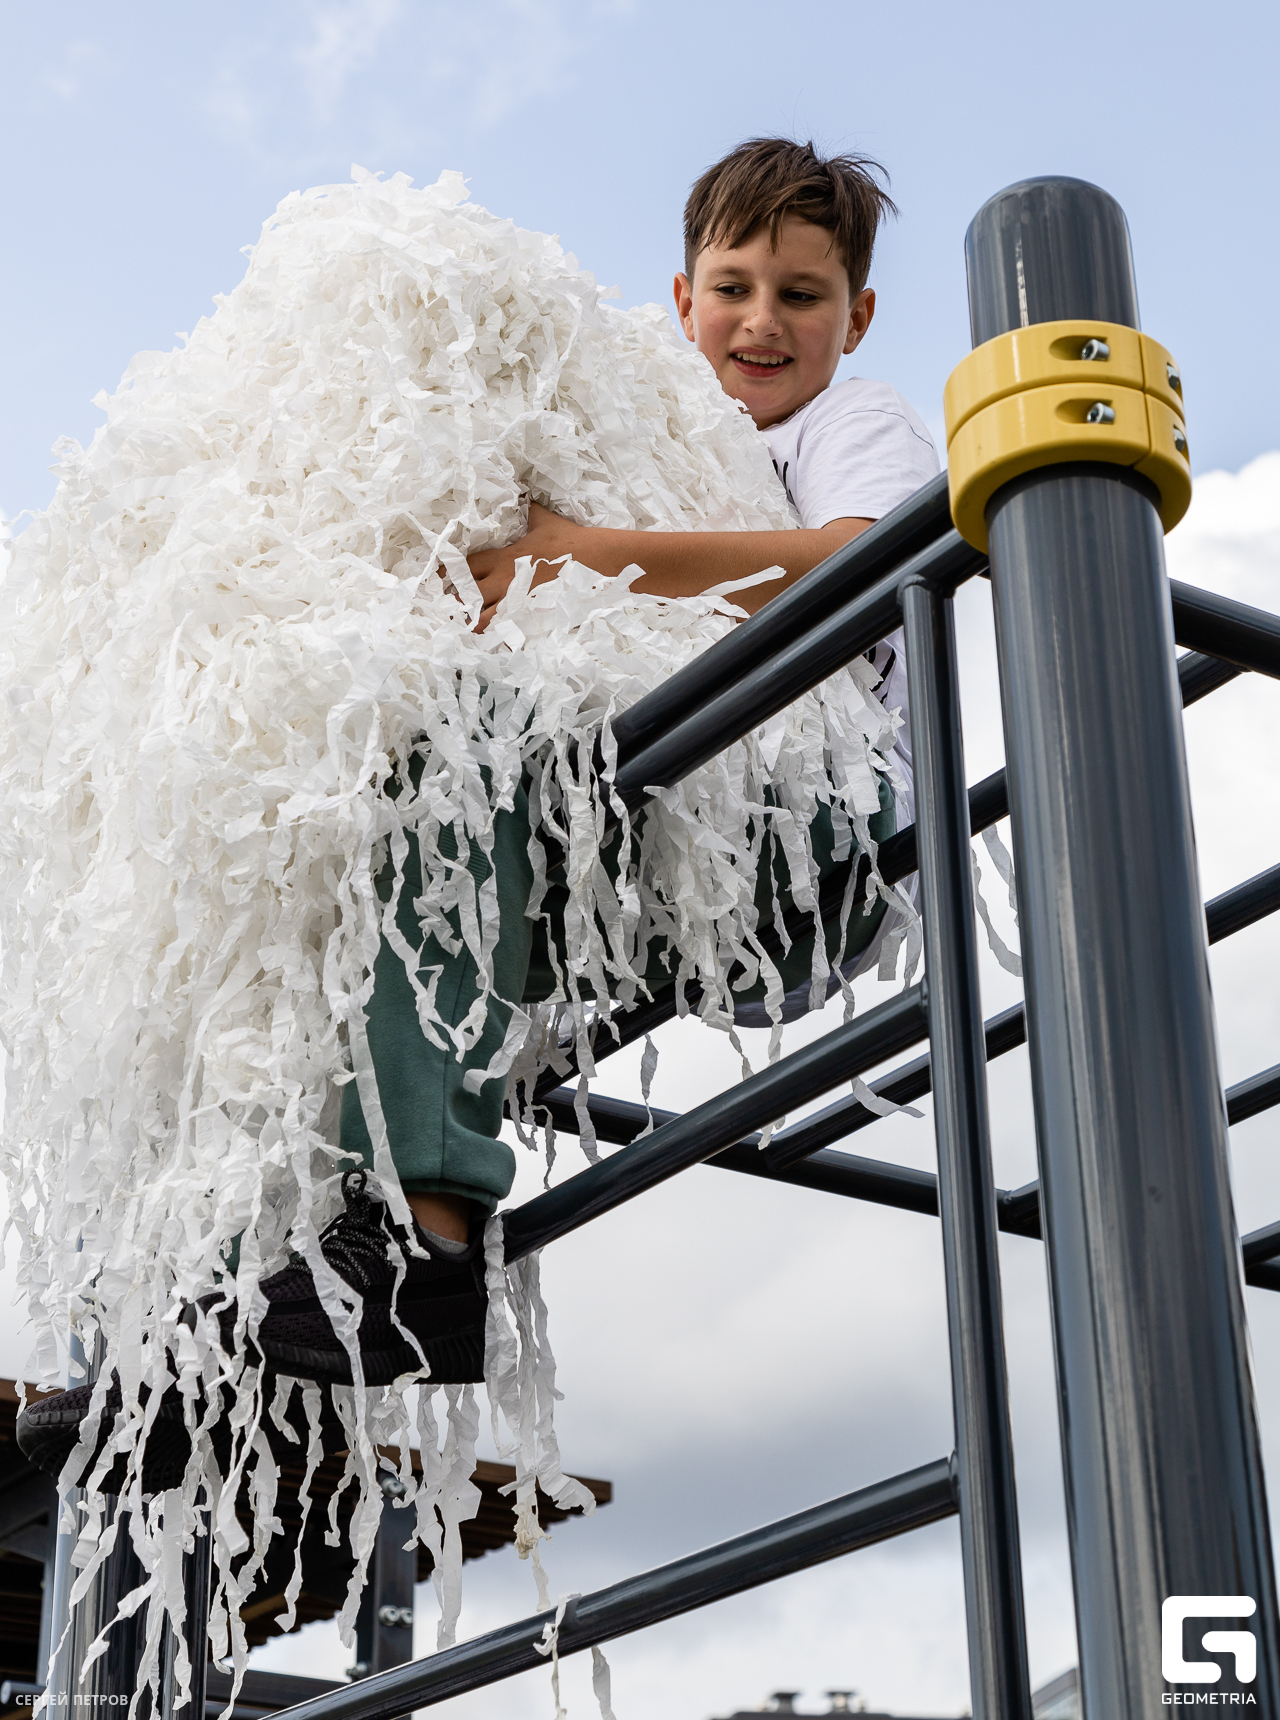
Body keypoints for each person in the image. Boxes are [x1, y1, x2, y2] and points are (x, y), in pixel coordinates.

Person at [19, 139, 938, 1474]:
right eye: (733, 288)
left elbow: (864, 561)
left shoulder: (844, 425)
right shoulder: (659, 439)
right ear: (681, 301)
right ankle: (184, 1337)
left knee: (467, 740)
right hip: (660, 814)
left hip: (813, 841)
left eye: (802, 295)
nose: (762, 322)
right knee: (311, 867)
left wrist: (586, 558)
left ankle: (429, 1239)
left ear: (855, 317)